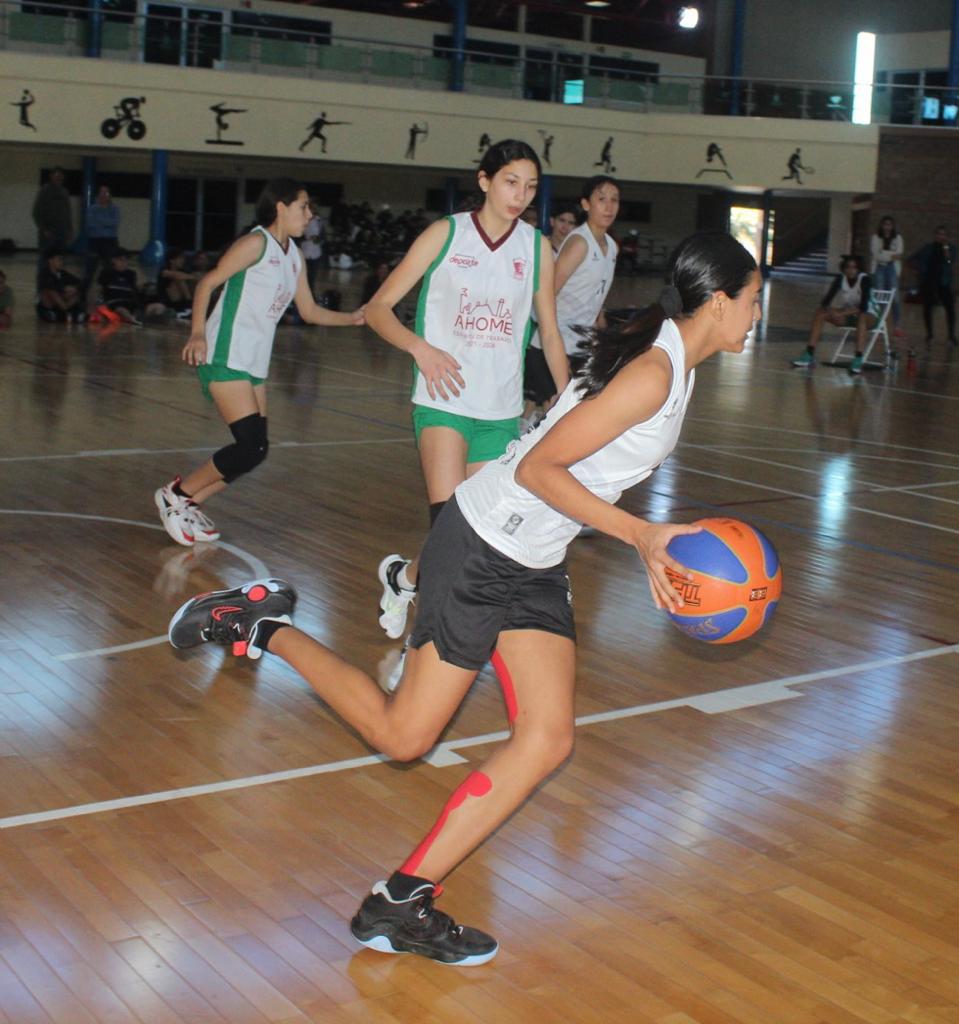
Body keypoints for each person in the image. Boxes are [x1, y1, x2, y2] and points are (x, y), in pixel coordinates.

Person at [167, 230, 762, 967]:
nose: (756, 313)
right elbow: (540, 468)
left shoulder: (674, 360)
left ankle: (401, 901)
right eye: (754, 298)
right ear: (718, 301)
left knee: (546, 739)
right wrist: (639, 535)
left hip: (532, 556)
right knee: (403, 738)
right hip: (483, 543)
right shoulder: (652, 373)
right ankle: (257, 623)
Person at [365, 139, 569, 643]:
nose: (520, 195)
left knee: (473, 536)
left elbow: (550, 331)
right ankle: (422, 659)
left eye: (530, 186)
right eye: (510, 182)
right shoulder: (446, 234)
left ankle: (403, 578)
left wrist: (568, 404)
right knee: (449, 526)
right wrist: (421, 349)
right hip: (443, 403)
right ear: (484, 181)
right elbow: (377, 309)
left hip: (501, 411)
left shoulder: (536, 247)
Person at [154, 178, 364, 547]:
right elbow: (207, 283)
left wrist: (355, 318)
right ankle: (176, 493)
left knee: (257, 451)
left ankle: (187, 502)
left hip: (253, 361)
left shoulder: (293, 256)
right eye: (304, 206)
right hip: (225, 351)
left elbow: (310, 311)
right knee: (249, 445)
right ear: (280, 207)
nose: (310, 215)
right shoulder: (255, 244)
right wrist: (198, 333)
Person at [524, 176, 620, 419]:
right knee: (558, 418)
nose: (609, 206)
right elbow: (547, 291)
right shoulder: (579, 243)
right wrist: (551, 337)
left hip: (581, 347)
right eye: (601, 199)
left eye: (614, 200)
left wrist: (604, 336)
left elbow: (596, 300)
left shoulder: (611, 246)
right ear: (586, 204)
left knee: (570, 418)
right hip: (551, 348)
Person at [791, 254, 877, 374]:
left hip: (869, 315)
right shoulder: (840, 279)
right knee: (820, 313)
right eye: (848, 267)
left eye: (854, 267)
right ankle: (809, 353)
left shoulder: (865, 279)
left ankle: (858, 358)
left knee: (861, 318)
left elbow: (863, 307)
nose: (851, 270)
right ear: (844, 268)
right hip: (849, 315)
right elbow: (826, 302)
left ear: (859, 269)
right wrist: (832, 311)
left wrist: (842, 313)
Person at [911, 225, 957, 346]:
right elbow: (913, 259)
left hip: (943, 282)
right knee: (928, 309)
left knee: (950, 308)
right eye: (939, 234)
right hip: (929, 282)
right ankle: (929, 335)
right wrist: (918, 270)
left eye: (943, 234)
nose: (941, 236)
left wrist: (946, 251)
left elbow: (949, 261)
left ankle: (951, 336)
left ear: (946, 237)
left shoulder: (951, 248)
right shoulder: (928, 248)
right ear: (935, 235)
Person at [869, 215, 903, 337]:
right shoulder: (876, 237)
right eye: (885, 224)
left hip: (892, 268)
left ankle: (897, 325)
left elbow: (899, 254)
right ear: (881, 225)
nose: (887, 227)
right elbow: (876, 255)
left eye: (889, 224)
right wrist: (891, 255)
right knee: (880, 297)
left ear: (892, 226)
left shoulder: (898, 238)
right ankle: (879, 323)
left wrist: (883, 253)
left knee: (895, 297)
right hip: (879, 268)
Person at [84, 185, 121, 293]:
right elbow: (90, 224)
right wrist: (106, 223)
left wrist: (99, 221)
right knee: (90, 270)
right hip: (95, 242)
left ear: (110, 196)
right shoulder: (92, 209)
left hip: (110, 242)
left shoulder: (115, 209)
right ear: (98, 194)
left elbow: (114, 223)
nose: (104, 195)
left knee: (110, 269)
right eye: (102, 192)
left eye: (107, 193)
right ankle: (83, 295)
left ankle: (110, 293)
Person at [32, 167, 73, 262]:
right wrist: (44, 229)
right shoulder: (44, 191)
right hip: (49, 232)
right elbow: (36, 212)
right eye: (56, 175)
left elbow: (68, 213)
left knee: (59, 259)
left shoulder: (64, 192)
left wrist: (69, 229)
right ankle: (43, 276)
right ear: (51, 176)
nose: (59, 178)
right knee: (45, 258)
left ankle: (57, 276)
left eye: (61, 176)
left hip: (62, 232)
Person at [36, 250, 85, 323]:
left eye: (62, 259)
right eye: (59, 259)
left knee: (76, 291)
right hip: (49, 307)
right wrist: (64, 290)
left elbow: (80, 282)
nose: (61, 262)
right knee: (50, 291)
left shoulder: (62, 273)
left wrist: (74, 289)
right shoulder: (44, 274)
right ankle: (67, 312)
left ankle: (69, 312)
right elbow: (50, 286)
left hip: (63, 303)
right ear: (50, 260)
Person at [156, 249, 198, 318]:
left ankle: (189, 307)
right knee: (179, 279)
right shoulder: (164, 271)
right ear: (171, 260)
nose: (183, 260)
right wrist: (193, 277)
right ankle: (188, 307)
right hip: (167, 301)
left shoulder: (183, 271)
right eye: (180, 258)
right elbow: (176, 275)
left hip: (181, 301)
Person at [301, 202, 325, 295]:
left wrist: (318, 239)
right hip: (305, 252)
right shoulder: (303, 220)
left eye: (316, 208)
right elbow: (298, 236)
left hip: (315, 252)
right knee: (305, 276)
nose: (315, 209)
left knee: (312, 276)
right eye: (313, 208)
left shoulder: (319, 220)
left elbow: (322, 236)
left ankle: (311, 294)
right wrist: (308, 238)